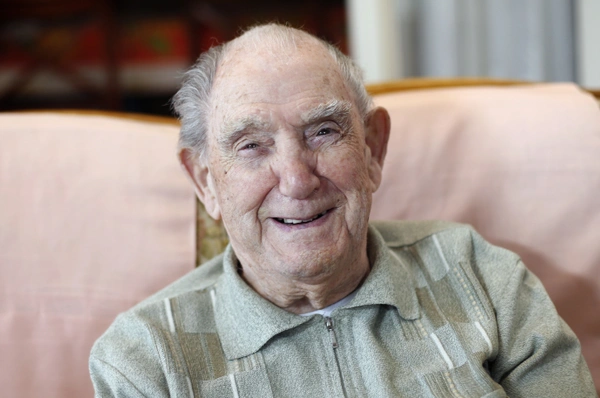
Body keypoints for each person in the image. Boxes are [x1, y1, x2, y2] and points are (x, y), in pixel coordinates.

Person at [90, 24, 597, 397]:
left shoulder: (484, 277)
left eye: (323, 132)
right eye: (251, 145)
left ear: (373, 149)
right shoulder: (144, 362)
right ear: (205, 181)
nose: (297, 179)